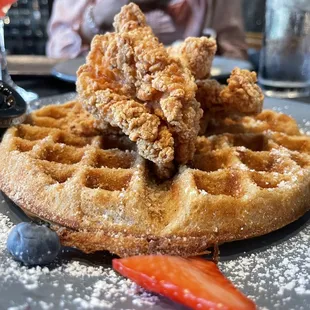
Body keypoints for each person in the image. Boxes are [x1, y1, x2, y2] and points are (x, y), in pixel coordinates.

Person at [46, 0, 247, 60]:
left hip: (196, 95)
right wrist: (98, 16)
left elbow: (236, 56)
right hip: (76, 91)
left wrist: (204, 52)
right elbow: (57, 52)